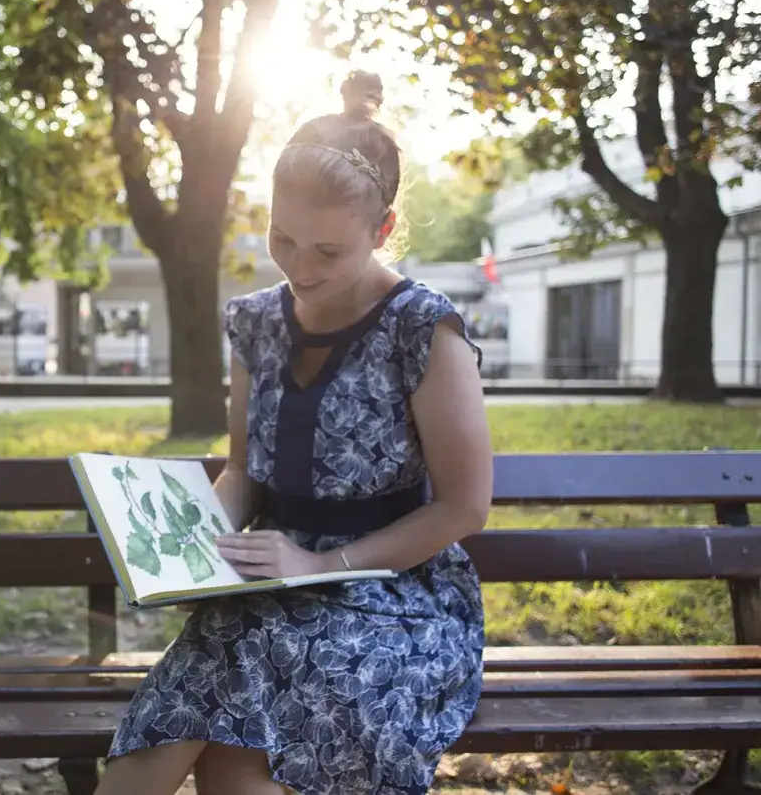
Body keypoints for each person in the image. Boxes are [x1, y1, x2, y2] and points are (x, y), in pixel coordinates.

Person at [94, 70, 494, 795]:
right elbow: (244, 472)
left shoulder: (422, 329)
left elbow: (464, 508)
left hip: (396, 596)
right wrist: (190, 557)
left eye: (328, 252)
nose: (300, 269)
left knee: (231, 704)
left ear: (382, 231)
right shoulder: (256, 323)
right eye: (283, 238)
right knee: (221, 737)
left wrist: (322, 565)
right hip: (266, 586)